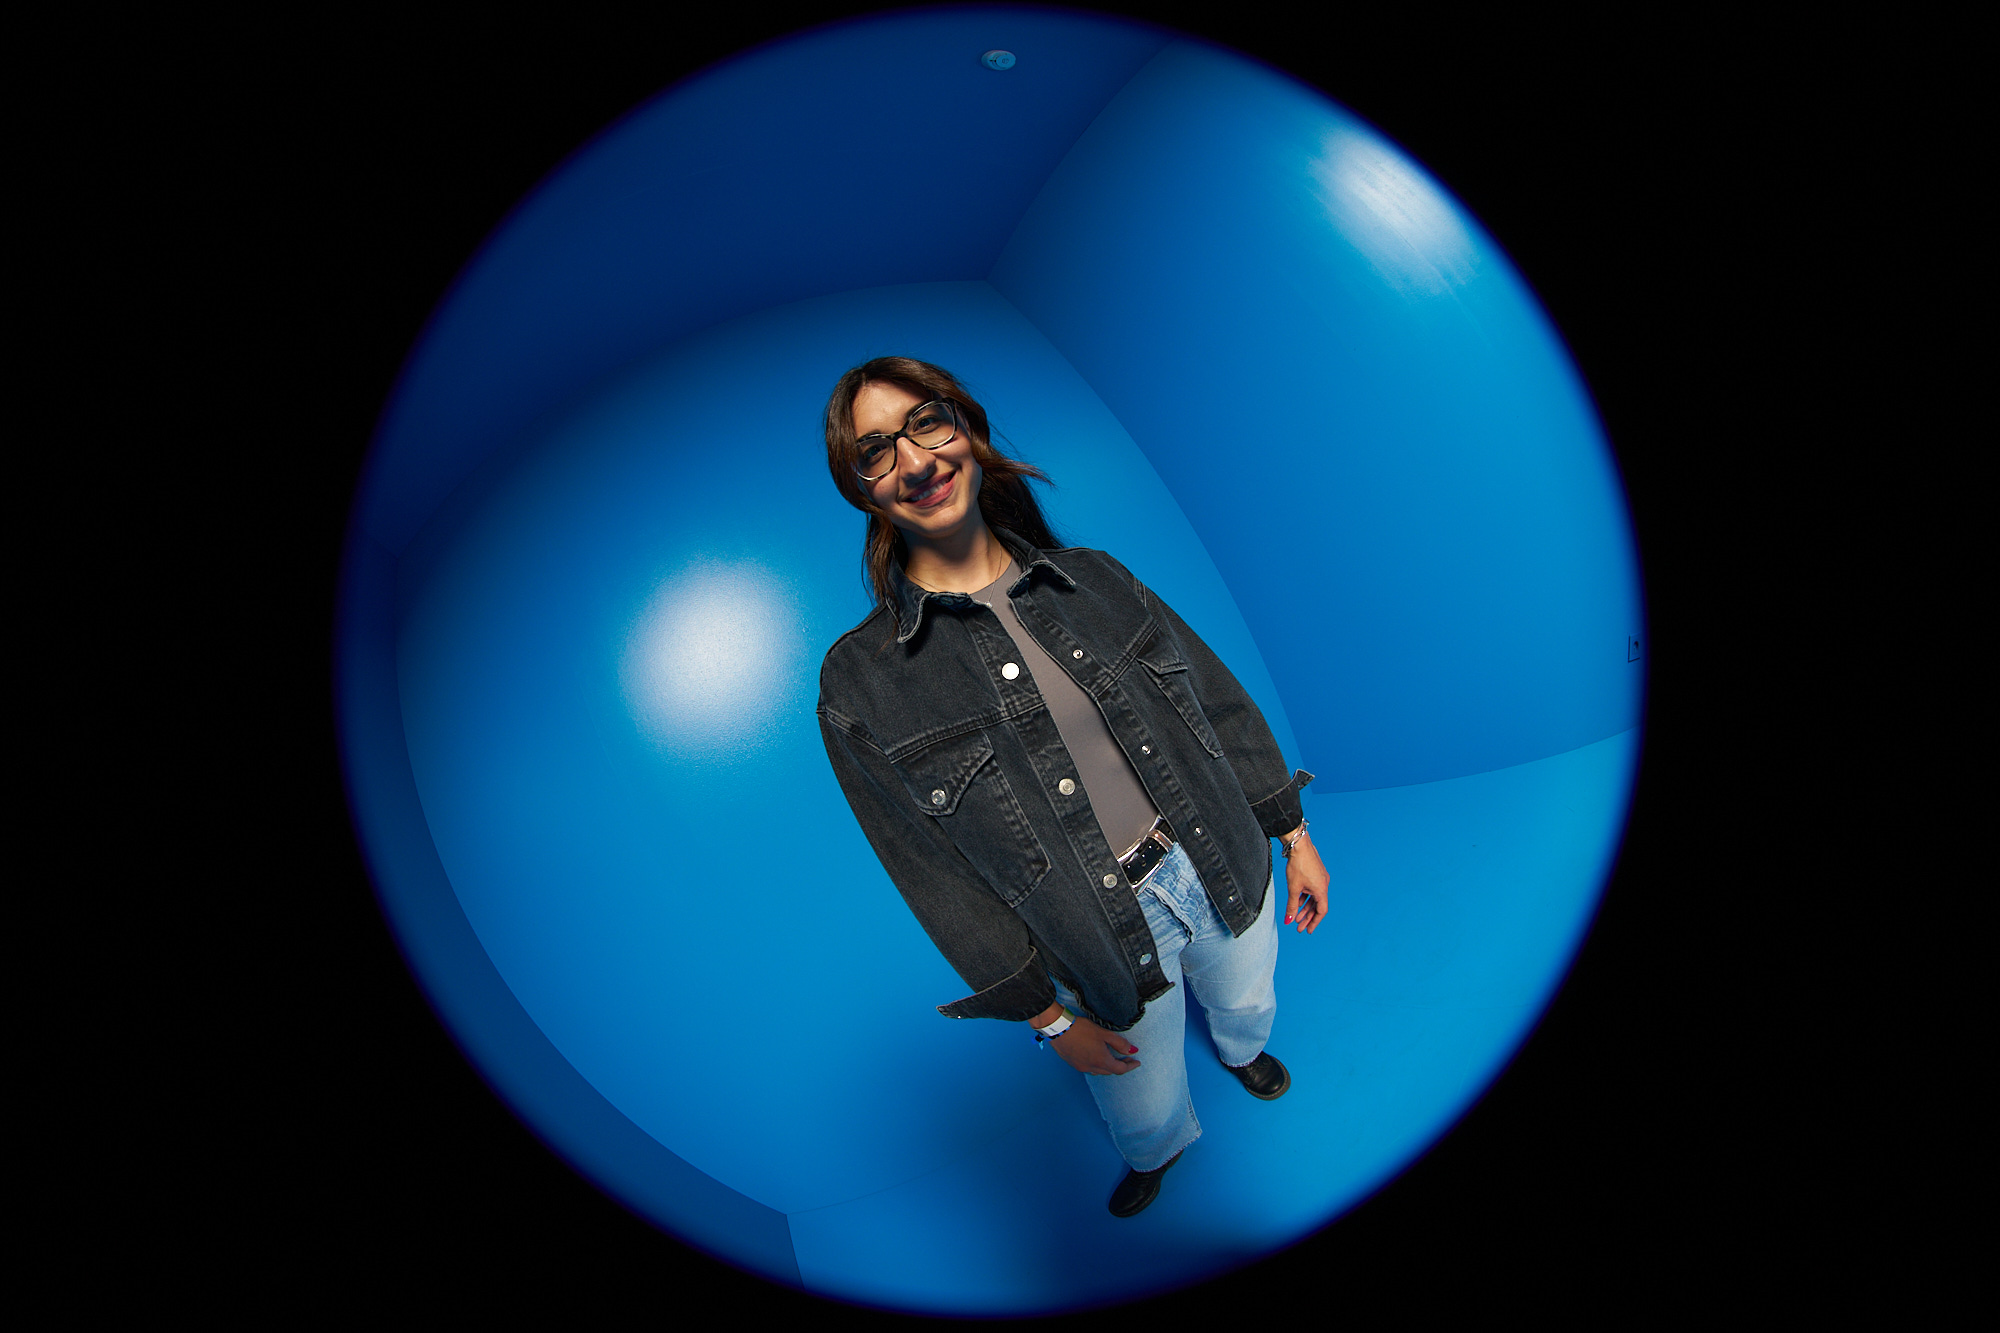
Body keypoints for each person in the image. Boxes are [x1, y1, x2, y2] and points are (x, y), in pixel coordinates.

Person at [815, 357, 1330, 1217]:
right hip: (1096, 940)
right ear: (862, 489)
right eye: (875, 450)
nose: (914, 459)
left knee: (1247, 997)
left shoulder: (1097, 577)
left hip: (1221, 862)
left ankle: (1243, 1053)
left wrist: (1292, 832)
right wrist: (1047, 1018)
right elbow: (934, 877)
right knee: (1139, 1101)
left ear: (968, 429)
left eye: (927, 421)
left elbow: (1217, 701)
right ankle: (1158, 1150)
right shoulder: (860, 687)